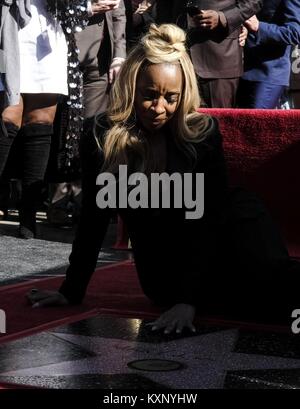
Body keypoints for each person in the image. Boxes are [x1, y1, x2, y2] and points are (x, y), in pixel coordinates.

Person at [27, 24, 300, 333]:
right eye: (149, 95)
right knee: (266, 303)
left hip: (223, 247)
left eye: (171, 97)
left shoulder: (202, 134)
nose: (159, 108)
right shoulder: (101, 135)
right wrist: (70, 290)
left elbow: (209, 220)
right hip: (164, 275)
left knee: (270, 276)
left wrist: (188, 301)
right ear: (131, 87)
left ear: (184, 94)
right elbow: (93, 218)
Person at [0, 0, 105, 237]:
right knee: (8, 115)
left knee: (41, 122)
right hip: (12, 26)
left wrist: (86, 6)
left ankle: (28, 216)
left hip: (50, 30)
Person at [186, 0, 263, 107]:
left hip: (219, 61)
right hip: (176, 55)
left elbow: (253, 2)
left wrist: (223, 18)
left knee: (218, 121)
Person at [237, 0, 300, 109]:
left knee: (256, 123)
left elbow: (295, 33)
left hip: (268, 74)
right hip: (238, 70)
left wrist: (259, 27)